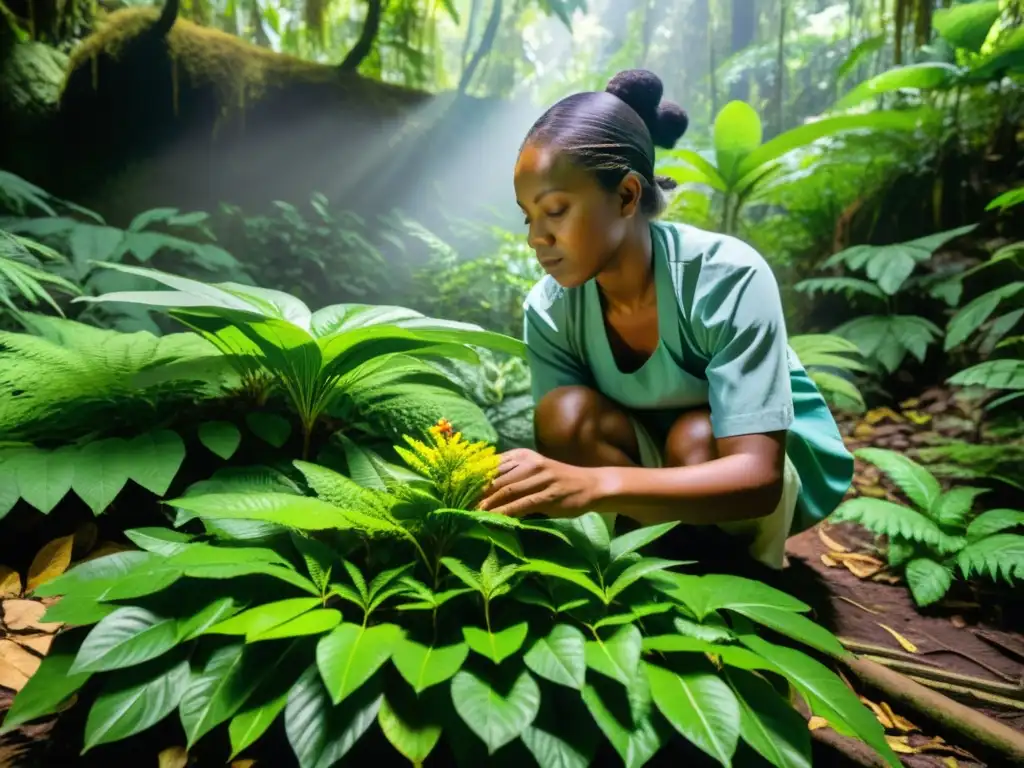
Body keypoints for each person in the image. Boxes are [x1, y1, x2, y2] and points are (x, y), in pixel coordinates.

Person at [477, 69, 854, 571]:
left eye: (557, 210)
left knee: (695, 437)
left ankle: (738, 571)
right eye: (529, 217)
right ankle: (654, 561)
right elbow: (569, 439)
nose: (536, 239)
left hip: (745, 473)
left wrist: (595, 484)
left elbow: (757, 476)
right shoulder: (550, 309)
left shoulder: (724, 278)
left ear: (627, 196)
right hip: (646, 471)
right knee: (564, 414)